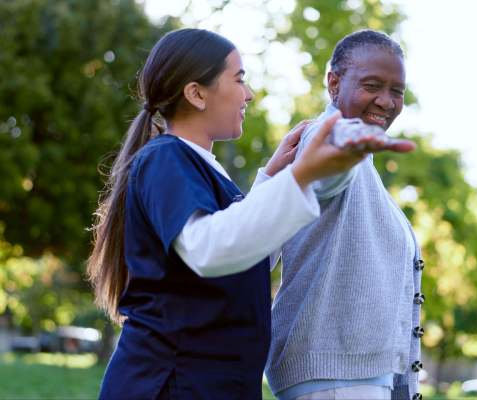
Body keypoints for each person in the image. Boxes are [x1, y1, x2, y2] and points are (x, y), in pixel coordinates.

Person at [86, 28, 382, 399]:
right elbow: (206, 248)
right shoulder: (165, 157)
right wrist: (302, 176)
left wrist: (273, 177)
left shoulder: (199, 166)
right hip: (170, 386)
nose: (249, 94)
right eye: (239, 80)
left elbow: (245, 251)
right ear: (196, 94)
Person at [265, 30, 425, 400]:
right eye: (372, 85)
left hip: (353, 379)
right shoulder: (327, 136)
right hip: (334, 381)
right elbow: (325, 179)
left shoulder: (361, 160)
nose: (387, 101)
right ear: (334, 84)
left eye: (397, 91)